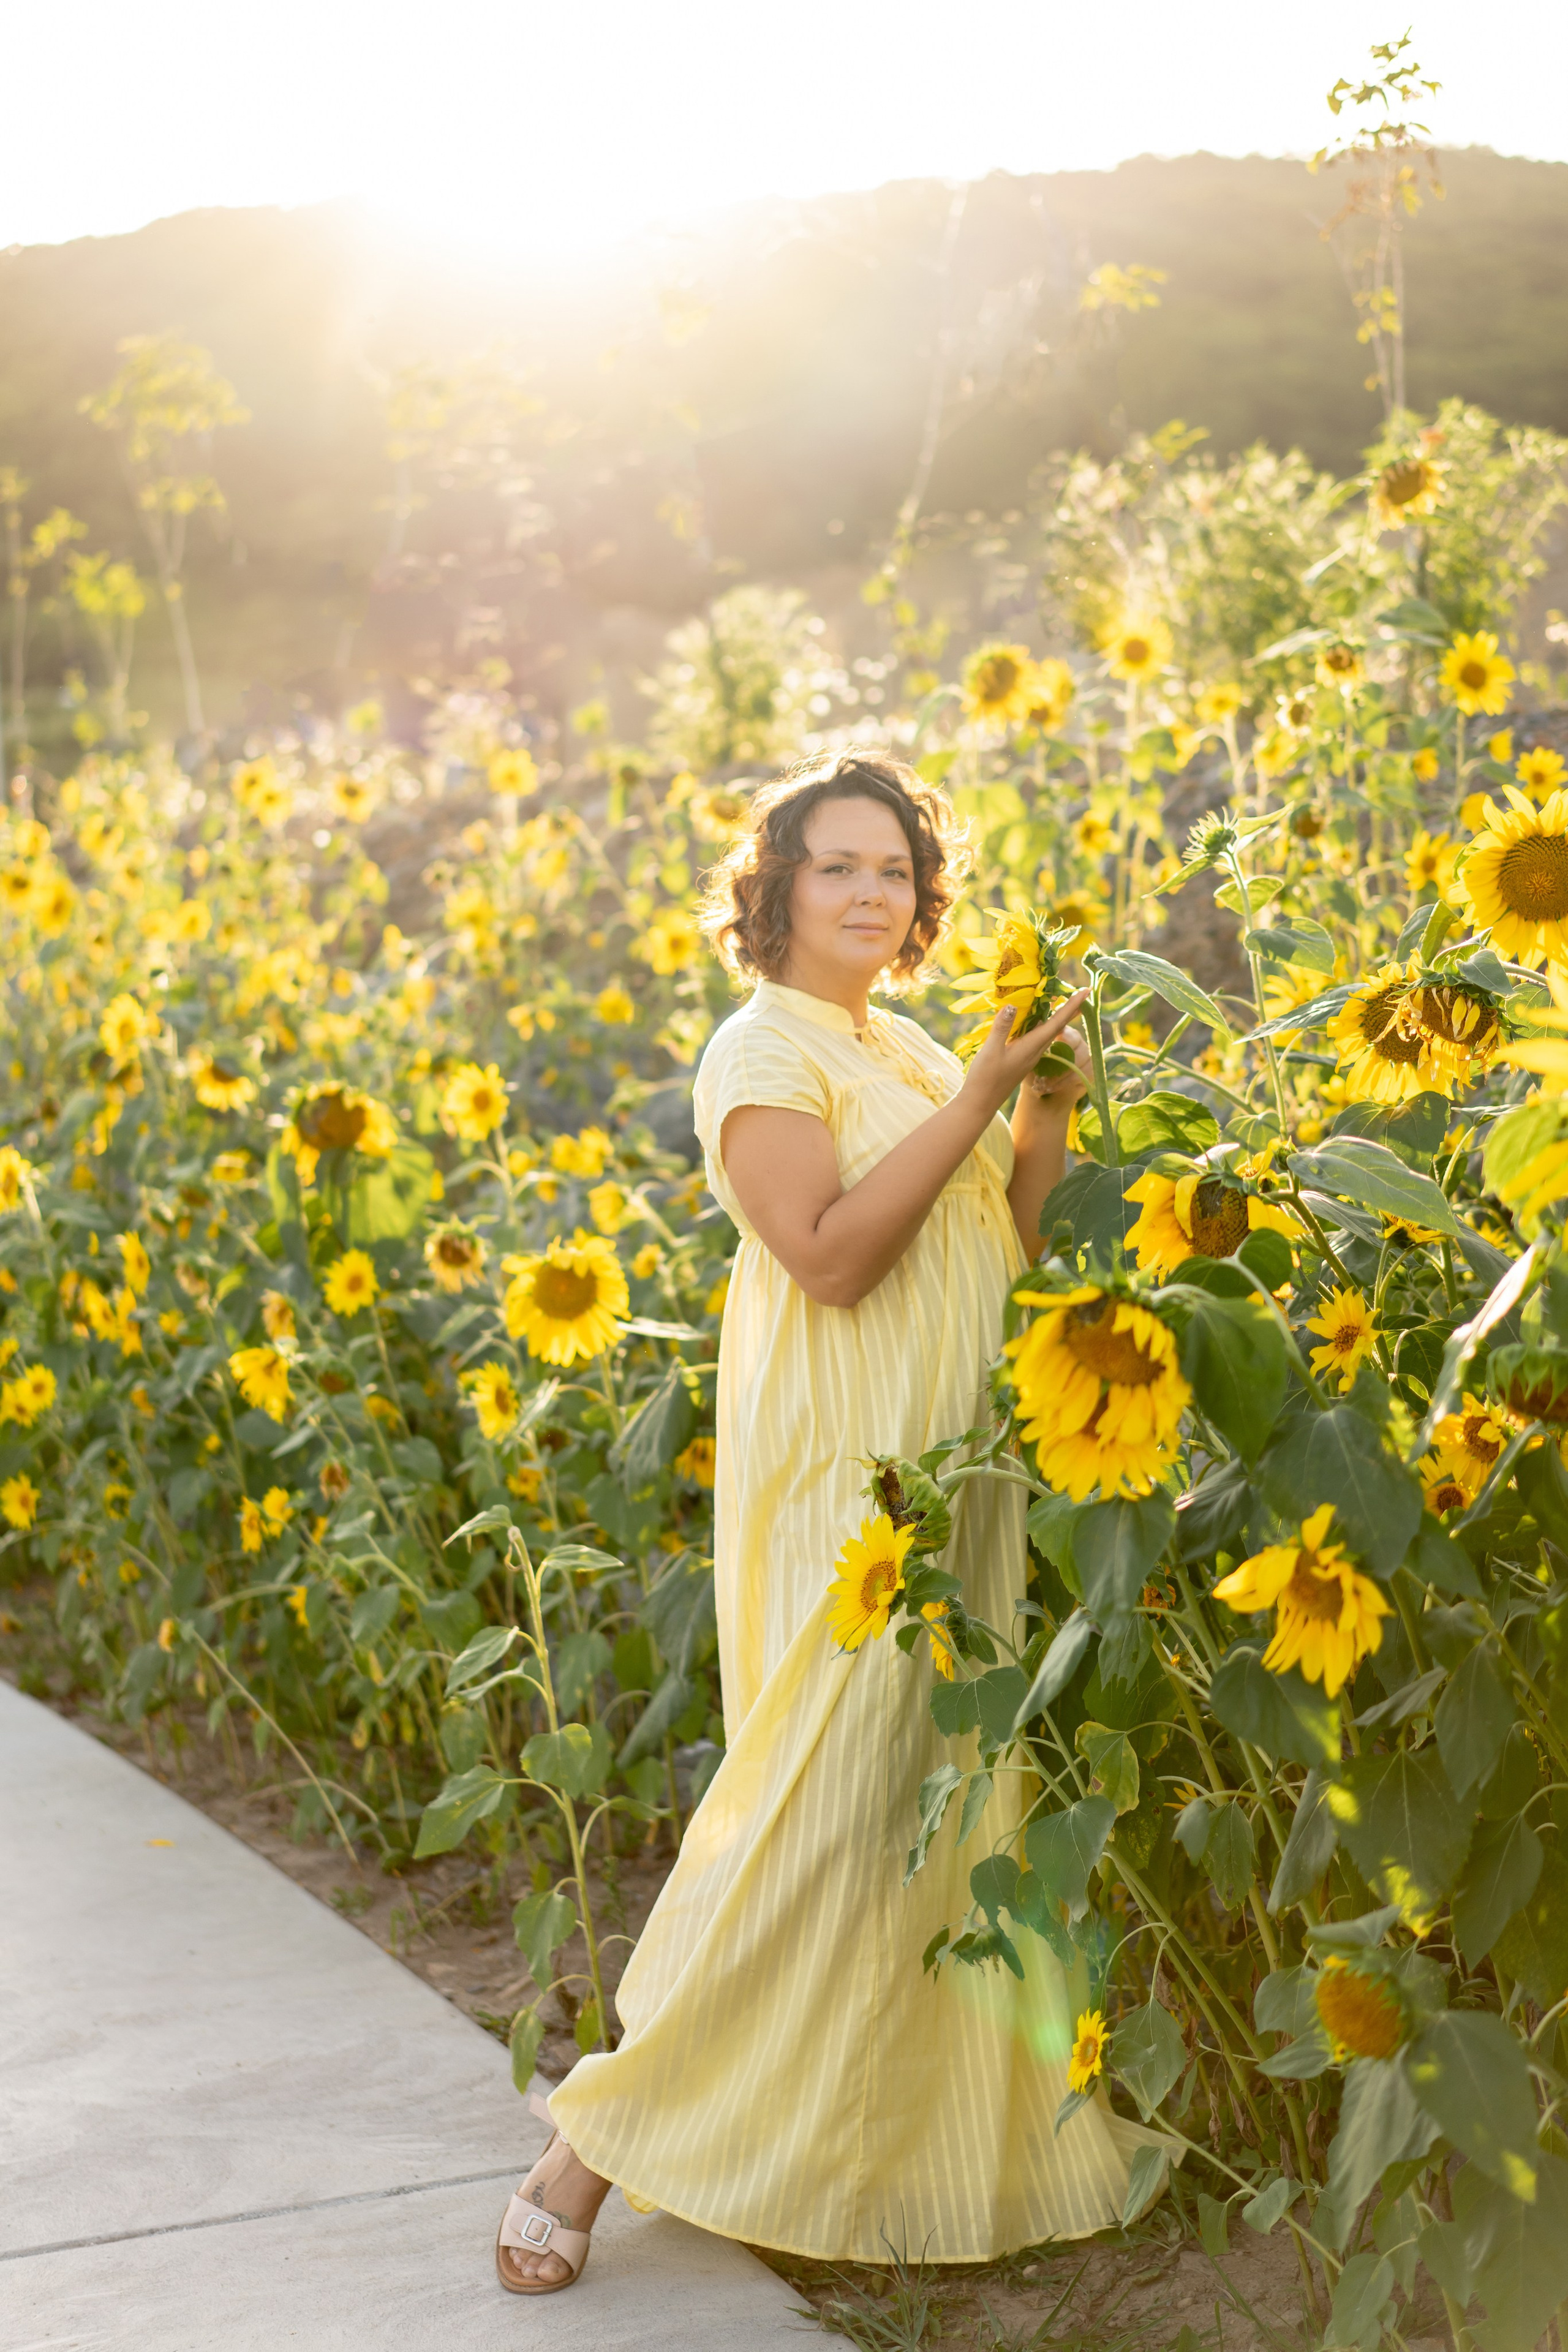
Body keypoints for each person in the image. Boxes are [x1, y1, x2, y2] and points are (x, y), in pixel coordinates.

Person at [495, 749, 1157, 2295]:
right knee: (812, 1800)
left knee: (920, 1814)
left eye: (898, 872)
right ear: (776, 888)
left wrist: (1035, 1111)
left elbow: (1004, 1236)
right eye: (839, 866)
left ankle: (853, 2164)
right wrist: (984, 1094)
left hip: (957, 1466)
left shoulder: (912, 1046)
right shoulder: (760, 1051)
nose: (875, 893)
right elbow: (832, 1256)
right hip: (851, 1478)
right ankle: (583, 2150)